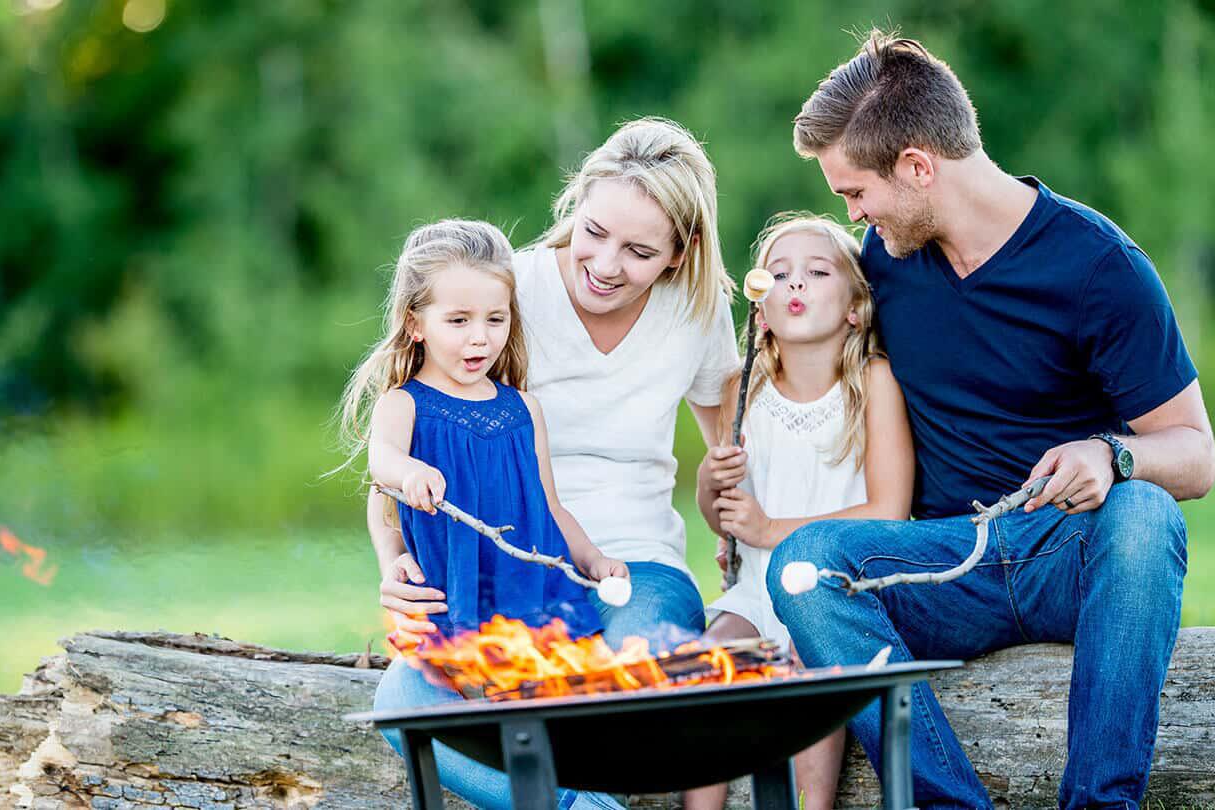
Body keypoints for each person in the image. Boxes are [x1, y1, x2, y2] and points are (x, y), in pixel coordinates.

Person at [767, 30, 1215, 809]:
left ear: (916, 166)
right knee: (804, 566)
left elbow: (1197, 456)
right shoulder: (885, 263)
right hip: (949, 564)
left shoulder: (1100, 268)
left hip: (1068, 554)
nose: (853, 212)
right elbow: (790, 325)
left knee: (1144, 514)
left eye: (855, 191)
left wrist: (1111, 454)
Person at [366, 116, 739, 808]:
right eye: (593, 231)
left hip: (635, 566)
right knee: (403, 698)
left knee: (614, 691)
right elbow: (402, 450)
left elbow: (730, 439)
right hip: (500, 568)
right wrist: (393, 562)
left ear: (681, 253)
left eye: (638, 251)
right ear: (576, 205)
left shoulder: (698, 310)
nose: (603, 264)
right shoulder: (506, 294)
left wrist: (732, 532)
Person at [335, 218, 628, 810]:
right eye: (459, 321)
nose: (480, 339)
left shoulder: (523, 409)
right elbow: (382, 470)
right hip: (457, 603)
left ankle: (575, 797)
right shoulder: (404, 406)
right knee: (442, 709)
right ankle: (573, 806)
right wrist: (408, 482)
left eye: (495, 320)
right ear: (416, 323)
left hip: (534, 600)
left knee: (560, 721)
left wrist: (593, 558)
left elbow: (548, 506)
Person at [684, 213, 914, 809]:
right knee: (705, 665)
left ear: (855, 308)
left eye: (816, 272)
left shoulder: (873, 382)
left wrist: (771, 528)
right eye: (779, 274)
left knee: (803, 672)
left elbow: (889, 511)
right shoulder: (745, 389)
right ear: (760, 310)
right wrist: (714, 481)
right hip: (755, 590)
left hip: (833, 597)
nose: (794, 284)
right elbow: (725, 518)